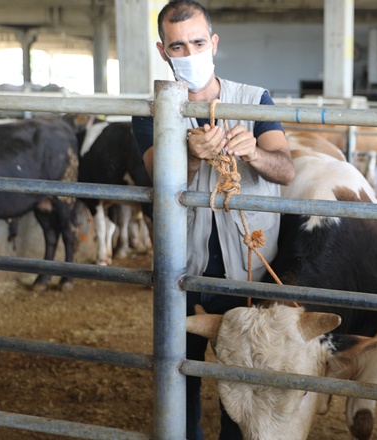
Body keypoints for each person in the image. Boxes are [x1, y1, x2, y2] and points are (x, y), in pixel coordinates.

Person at [131, 1, 295, 439]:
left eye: (198, 43)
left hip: (250, 270)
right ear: (163, 51)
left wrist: (254, 152)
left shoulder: (255, 99)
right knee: (179, 374)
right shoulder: (151, 111)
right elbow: (158, 176)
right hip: (184, 271)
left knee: (242, 380)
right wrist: (187, 154)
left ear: (214, 43)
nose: (190, 54)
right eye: (178, 46)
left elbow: (285, 170)